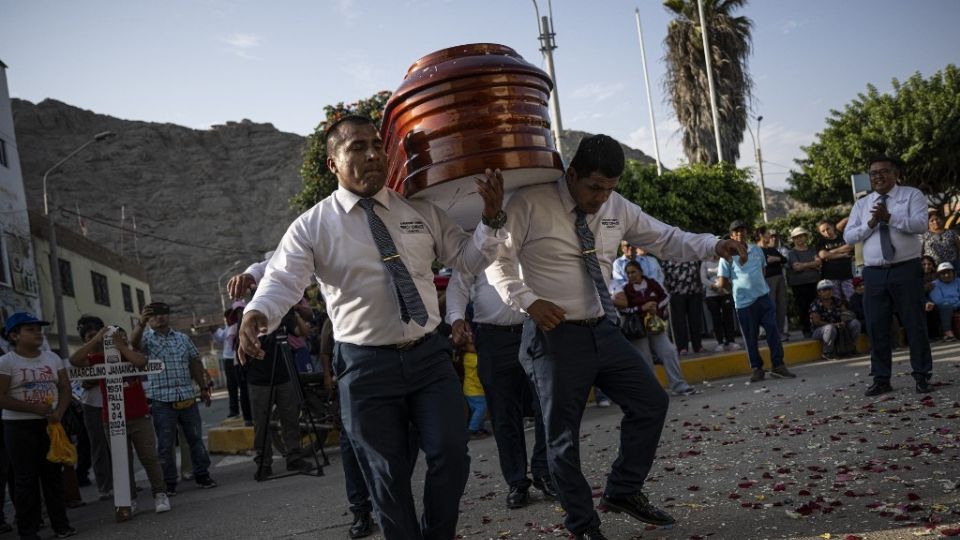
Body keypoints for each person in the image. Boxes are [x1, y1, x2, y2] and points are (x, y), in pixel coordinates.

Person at [237, 115, 507, 540]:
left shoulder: (419, 211)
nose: (371, 155)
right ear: (333, 164)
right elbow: (282, 281)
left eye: (376, 145)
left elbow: (466, 261)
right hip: (364, 368)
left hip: (428, 357)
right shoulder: (313, 225)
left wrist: (491, 220)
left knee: (452, 453)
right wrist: (257, 315)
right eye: (356, 148)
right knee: (386, 477)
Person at [485, 134, 746, 540]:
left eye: (610, 188)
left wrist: (715, 245)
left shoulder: (616, 206)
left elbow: (666, 238)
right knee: (562, 438)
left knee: (651, 402)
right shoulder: (529, 203)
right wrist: (528, 301)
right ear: (571, 175)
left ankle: (623, 490)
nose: (602, 198)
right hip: (552, 336)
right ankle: (583, 525)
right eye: (594, 187)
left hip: (601, 329)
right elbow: (497, 262)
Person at [446, 268, 554, 510]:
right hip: (493, 338)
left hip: (536, 330)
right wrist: (456, 318)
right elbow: (459, 281)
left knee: (547, 404)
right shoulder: (478, 241)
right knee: (504, 415)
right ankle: (517, 482)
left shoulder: (530, 233)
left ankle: (545, 472)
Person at [843, 155, 934, 396]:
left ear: (894, 174)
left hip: (906, 269)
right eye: (874, 173)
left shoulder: (911, 195)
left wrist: (890, 218)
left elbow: (920, 225)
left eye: (884, 171)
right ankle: (881, 378)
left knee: (914, 324)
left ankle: (922, 375)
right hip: (873, 274)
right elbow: (849, 237)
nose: (878, 177)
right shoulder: (862, 205)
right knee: (877, 327)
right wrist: (871, 223)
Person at [68, 318, 171, 516]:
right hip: (113, 418)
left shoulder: (131, 354)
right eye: (112, 337)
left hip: (139, 416)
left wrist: (122, 347)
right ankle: (128, 499)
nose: (117, 339)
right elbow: (75, 361)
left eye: (121, 335)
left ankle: (160, 494)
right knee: (122, 460)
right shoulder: (99, 359)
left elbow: (140, 362)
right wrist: (97, 339)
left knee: (149, 457)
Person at [0, 313, 77, 539]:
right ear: (15, 335)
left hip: (51, 424)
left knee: (53, 476)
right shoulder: (7, 362)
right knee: (26, 480)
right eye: (30, 329)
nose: (38, 333)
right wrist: (32, 408)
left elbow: (64, 388)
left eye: (38, 328)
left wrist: (59, 412)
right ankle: (28, 531)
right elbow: (1, 396)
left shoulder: (51, 358)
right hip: (19, 428)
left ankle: (61, 525)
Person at [130, 302, 218, 494]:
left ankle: (202, 475)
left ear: (168, 316)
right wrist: (141, 322)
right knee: (165, 443)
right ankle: (169, 483)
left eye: (162, 314)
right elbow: (133, 344)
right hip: (161, 400)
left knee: (195, 438)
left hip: (187, 395)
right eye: (153, 315)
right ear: (148, 319)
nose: (159, 318)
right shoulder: (146, 339)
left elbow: (194, 362)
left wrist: (203, 388)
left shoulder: (183, 338)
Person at [717, 220, 797, 383]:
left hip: (763, 298)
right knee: (750, 338)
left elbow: (762, 270)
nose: (739, 233)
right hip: (744, 304)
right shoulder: (726, 257)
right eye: (736, 231)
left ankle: (778, 366)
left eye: (742, 230)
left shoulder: (757, 250)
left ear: (746, 233)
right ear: (731, 236)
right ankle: (757, 369)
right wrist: (735, 292)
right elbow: (723, 283)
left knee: (773, 332)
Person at [244, 308, 317, 480]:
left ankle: (294, 457)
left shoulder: (283, 313)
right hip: (260, 379)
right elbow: (245, 345)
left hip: (285, 375)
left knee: (290, 419)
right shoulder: (251, 315)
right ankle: (263, 463)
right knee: (262, 424)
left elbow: (302, 332)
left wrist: (295, 313)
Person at [613, 261, 696, 396]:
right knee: (645, 359)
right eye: (628, 273)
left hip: (655, 325)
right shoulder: (625, 289)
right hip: (638, 329)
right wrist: (641, 308)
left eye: (633, 272)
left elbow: (665, 297)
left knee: (669, 352)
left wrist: (655, 307)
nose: (631, 275)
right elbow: (624, 310)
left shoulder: (652, 283)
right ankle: (654, 391)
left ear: (640, 271)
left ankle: (679, 385)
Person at [213, 303, 252, 424]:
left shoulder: (236, 326)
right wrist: (213, 331)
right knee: (233, 386)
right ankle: (236, 410)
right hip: (231, 359)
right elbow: (222, 338)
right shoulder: (230, 328)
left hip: (241, 359)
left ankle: (248, 414)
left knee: (244, 387)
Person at [809, 280, 861, 359]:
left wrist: (843, 321)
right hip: (820, 330)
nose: (828, 292)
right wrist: (833, 325)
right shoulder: (815, 304)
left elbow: (845, 313)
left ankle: (851, 348)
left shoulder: (837, 301)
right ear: (819, 292)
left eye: (830, 289)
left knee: (855, 323)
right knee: (830, 328)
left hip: (838, 326)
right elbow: (816, 322)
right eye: (824, 290)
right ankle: (827, 353)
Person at [786, 227, 822, 339]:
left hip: (814, 282)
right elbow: (796, 267)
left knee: (816, 306)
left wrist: (804, 265)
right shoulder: (792, 252)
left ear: (806, 237)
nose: (799, 239)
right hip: (799, 284)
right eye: (796, 237)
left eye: (801, 236)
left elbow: (819, 261)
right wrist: (811, 264)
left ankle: (817, 327)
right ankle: (806, 329)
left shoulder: (812, 249)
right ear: (793, 239)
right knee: (803, 307)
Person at [661, 260, 704, 354]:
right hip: (676, 294)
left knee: (695, 320)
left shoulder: (691, 256)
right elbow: (664, 279)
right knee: (679, 321)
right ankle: (682, 347)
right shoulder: (667, 260)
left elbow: (698, 273)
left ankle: (698, 345)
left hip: (694, 292)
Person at [700, 258, 739, 351]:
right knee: (716, 318)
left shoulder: (724, 260)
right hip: (711, 294)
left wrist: (723, 286)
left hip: (725, 292)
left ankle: (731, 341)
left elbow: (731, 274)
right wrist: (714, 287)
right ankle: (720, 342)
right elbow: (703, 278)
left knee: (728, 316)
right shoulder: (705, 262)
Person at [758, 226, 790, 341]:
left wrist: (776, 259)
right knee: (771, 307)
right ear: (761, 235)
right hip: (767, 280)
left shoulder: (772, 249)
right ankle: (771, 332)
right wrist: (770, 260)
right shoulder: (756, 250)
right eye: (768, 234)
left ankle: (780, 331)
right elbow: (760, 263)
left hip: (780, 278)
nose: (770, 237)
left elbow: (784, 260)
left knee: (781, 305)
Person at [816, 220, 855, 302]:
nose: (826, 232)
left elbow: (850, 246)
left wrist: (831, 252)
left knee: (851, 299)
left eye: (828, 229)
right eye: (823, 231)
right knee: (836, 301)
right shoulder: (821, 242)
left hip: (847, 275)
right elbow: (823, 255)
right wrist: (842, 255)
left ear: (833, 227)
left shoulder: (843, 237)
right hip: (831, 277)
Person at [927, 262, 960, 341]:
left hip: (957, 304)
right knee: (946, 305)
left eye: (949, 272)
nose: (946, 275)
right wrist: (956, 301)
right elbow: (938, 300)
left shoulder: (958, 281)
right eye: (943, 273)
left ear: (953, 273)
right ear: (938, 275)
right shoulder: (935, 284)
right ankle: (947, 333)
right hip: (942, 307)